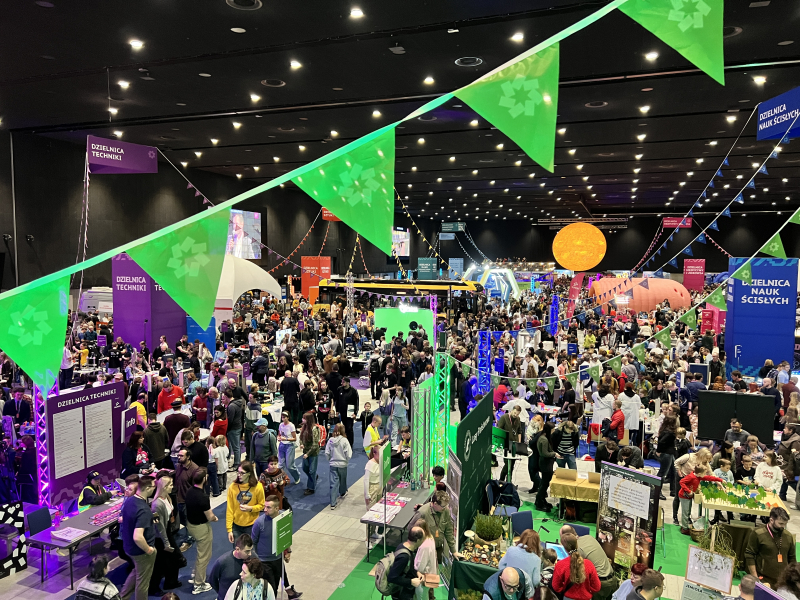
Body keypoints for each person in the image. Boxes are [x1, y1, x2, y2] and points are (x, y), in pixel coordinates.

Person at [252, 495, 298, 598]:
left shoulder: (283, 517)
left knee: (276, 586)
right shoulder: (259, 523)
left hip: (278, 558)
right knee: (271, 588)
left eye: (268, 507)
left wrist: (288, 551)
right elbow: (253, 542)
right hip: (264, 561)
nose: (265, 509)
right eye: (265, 506)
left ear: (277, 508)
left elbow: (286, 536)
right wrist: (256, 560)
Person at [119, 475, 157, 600]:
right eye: (153, 486)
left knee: (137, 572)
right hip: (141, 551)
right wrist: (148, 550)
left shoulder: (129, 501)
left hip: (128, 546)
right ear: (147, 488)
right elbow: (138, 537)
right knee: (143, 583)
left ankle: (122, 597)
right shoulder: (144, 509)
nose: (155, 489)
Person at [559, 525, 617, 600]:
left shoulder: (577, 550)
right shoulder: (589, 537)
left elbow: (573, 572)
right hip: (613, 579)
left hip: (601, 585)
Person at [186, 468, 217, 595]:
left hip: (191, 525)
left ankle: (196, 575)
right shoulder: (203, 497)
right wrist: (215, 518)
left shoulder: (189, 491)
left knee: (200, 554)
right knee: (204, 556)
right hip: (201, 528)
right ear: (204, 479)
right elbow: (210, 516)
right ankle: (199, 584)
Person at [746, 507, 795, 587]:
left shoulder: (788, 536)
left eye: (785, 524)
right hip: (763, 579)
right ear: (771, 520)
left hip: (782, 580)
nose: (783, 527)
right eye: (780, 524)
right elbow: (749, 555)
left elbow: (792, 558)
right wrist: (755, 577)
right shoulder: (758, 533)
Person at [149, 474, 182, 595]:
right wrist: (166, 542)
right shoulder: (157, 504)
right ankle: (153, 588)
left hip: (167, 531)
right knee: (160, 563)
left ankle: (170, 582)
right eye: (171, 485)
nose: (173, 486)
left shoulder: (167, 497)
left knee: (172, 559)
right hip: (160, 537)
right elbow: (160, 527)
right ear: (164, 487)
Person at [412, 490, 461, 566]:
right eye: (443, 506)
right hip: (425, 550)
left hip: (438, 548)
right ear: (435, 504)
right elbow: (411, 530)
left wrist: (453, 551)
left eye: (446, 505)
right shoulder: (422, 513)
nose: (445, 508)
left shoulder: (446, 511)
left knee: (435, 569)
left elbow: (448, 530)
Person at [551, 531, 601, 600]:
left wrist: (565, 590)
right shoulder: (589, 564)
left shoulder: (560, 565)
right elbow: (597, 587)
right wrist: (586, 591)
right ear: (577, 544)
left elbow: (556, 587)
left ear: (564, 548)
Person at [226, 461, 265, 544]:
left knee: (251, 549)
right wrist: (229, 529)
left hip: (252, 525)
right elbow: (230, 509)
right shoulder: (232, 487)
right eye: (238, 472)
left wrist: (250, 508)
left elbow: (262, 505)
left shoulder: (258, 487)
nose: (239, 475)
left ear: (249, 473)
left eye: (242, 473)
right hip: (236, 526)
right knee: (238, 549)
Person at [680, 465, 723, 535]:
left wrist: (720, 480)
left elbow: (709, 478)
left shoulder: (698, 476)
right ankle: (684, 529)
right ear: (700, 473)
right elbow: (681, 482)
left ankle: (685, 526)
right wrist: (688, 491)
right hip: (684, 496)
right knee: (686, 512)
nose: (705, 475)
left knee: (688, 512)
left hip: (688, 496)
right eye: (704, 473)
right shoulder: (691, 477)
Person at [498, 529, 541, 600]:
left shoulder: (511, 550)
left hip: (507, 589)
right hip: (525, 593)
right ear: (536, 543)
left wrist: (508, 578)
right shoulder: (537, 559)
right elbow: (536, 581)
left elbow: (501, 566)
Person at [209, 534, 253, 600]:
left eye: (251, 550)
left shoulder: (253, 559)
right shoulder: (222, 562)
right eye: (247, 551)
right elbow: (212, 580)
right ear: (237, 549)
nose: (250, 554)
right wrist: (222, 594)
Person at [387, 527, 425, 600]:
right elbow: (392, 577)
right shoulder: (404, 557)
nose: (423, 541)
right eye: (422, 539)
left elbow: (409, 566)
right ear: (418, 540)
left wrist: (417, 572)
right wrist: (411, 582)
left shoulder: (403, 545)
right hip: (401, 593)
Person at [326, 422, 352, 510]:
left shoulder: (330, 440)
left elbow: (327, 453)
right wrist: (346, 460)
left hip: (333, 464)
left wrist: (330, 460)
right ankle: (342, 492)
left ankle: (333, 503)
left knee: (333, 484)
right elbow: (348, 453)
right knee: (343, 479)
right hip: (343, 465)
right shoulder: (345, 440)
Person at [413, 519, 437, 600]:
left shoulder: (425, 546)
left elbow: (421, 565)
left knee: (422, 597)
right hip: (430, 575)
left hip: (423, 578)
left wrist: (415, 570)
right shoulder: (430, 538)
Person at [655, 415, 677, 499]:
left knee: (674, 470)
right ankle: (656, 492)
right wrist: (658, 451)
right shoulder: (670, 432)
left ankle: (673, 490)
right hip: (667, 454)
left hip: (668, 453)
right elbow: (661, 442)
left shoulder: (664, 429)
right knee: (662, 473)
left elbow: (660, 440)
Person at [535, 422, 556, 512]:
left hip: (546, 463)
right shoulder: (544, 440)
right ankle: (539, 503)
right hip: (545, 464)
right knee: (544, 484)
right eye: (553, 429)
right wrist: (554, 454)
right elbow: (545, 453)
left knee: (544, 483)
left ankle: (541, 500)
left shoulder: (543, 437)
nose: (554, 431)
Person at [299, 411, 320, 496]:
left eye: (304, 418)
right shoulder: (304, 427)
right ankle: (314, 477)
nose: (302, 420)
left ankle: (311, 488)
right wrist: (301, 444)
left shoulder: (314, 430)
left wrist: (308, 454)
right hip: (305, 451)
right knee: (305, 468)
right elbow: (301, 437)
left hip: (313, 453)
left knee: (311, 471)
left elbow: (315, 445)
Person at [278, 411, 301, 484]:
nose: (283, 419)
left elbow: (294, 438)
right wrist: (279, 438)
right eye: (282, 417)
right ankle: (280, 479)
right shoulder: (281, 425)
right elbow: (279, 434)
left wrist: (286, 439)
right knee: (280, 465)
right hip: (282, 445)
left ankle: (297, 477)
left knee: (290, 466)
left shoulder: (291, 426)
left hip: (289, 446)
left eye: (284, 417)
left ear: (288, 418)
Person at [337, 377, 360, 447]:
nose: (342, 383)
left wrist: (355, 413)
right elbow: (337, 401)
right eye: (342, 382)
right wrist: (337, 410)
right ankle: (344, 442)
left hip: (350, 413)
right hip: (342, 412)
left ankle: (350, 443)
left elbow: (356, 403)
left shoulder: (353, 391)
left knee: (349, 428)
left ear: (348, 383)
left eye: (343, 382)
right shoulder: (339, 389)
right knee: (343, 428)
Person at [226, 389, 246, 471]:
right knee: (234, 446)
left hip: (233, 428)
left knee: (236, 447)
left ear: (226, 396)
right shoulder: (238, 403)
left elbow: (230, 419)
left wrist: (227, 428)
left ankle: (236, 464)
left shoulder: (231, 406)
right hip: (238, 426)